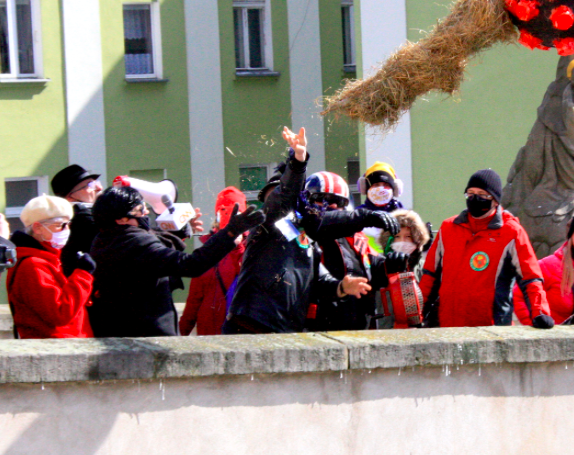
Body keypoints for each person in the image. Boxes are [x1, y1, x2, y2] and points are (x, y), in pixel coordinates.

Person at [226, 127, 372, 334]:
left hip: (285, 330)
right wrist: (299, 158)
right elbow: (286, 194)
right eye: (270, 197)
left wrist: (342, 287)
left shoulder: (306, 236)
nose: (273, 200)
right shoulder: (267, 224)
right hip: (252, 325)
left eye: (336, 202)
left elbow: (320, 281)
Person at [90, 184, 263, 338]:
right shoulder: (136, 243)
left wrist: (178, 232)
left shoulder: (102, 240)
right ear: (121, 219)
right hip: (146, 337)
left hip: (113, 332)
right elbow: (192, 264)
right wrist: (230, 233)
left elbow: (153, 251)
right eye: (140, 209)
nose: (146, 212)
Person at [419, 169, 553, 329]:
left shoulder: (511, 232)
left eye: (482, 194)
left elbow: (530, 278)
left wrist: (540, 312)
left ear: (495, 200)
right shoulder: (448, 228)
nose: (475, 198)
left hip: (491, 329)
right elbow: (430, 276)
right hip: (449, 327)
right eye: (470, 193)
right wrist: (417, 315)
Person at [300, 171, 407, 332]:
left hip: (357, 326)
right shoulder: (304, 231)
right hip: (317, 327)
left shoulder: (356, 236)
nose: (333, 205)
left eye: (338, 200)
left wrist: (391, 264)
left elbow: (372, 273)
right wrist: (366, 217)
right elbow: (318, 224)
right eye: (323, 199)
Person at [6, 196, 96, 339]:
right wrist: (83, 275)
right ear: (37, 228)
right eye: (60, 225)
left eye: (68, 225)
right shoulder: (33, 265)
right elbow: (60, 313)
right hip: (57, 348)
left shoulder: (47, 259)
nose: (66, 230)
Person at [179, 187, 248, 337]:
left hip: (240, 334)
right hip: (211, 337)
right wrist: (178, 336)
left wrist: (238, 246)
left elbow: (248, 277)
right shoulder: (207, 250)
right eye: (226, 214)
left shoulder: (253, 247)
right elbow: (194, 301)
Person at [52, 164, 104, 277]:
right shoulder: (81, 217)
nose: (99, 188)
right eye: (90, 185)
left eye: (95, 182)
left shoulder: (75, 214)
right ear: (70, 197)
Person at [357, 162, 405, 252]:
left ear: (395, 189)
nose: (381, 189)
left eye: (386, 185)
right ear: (365, 189)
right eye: (376, 185)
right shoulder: (357, 215)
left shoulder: (403, 214)